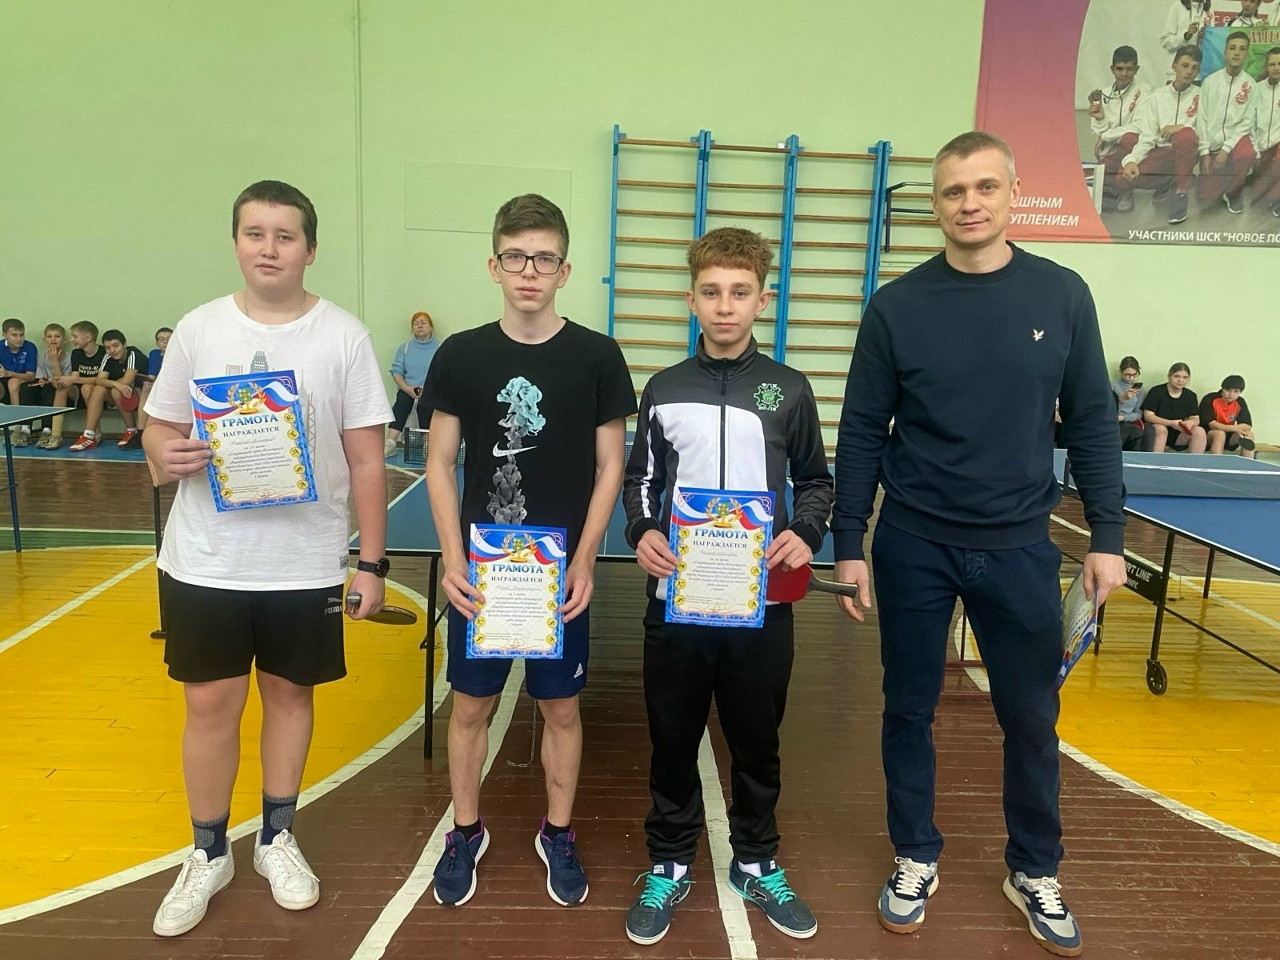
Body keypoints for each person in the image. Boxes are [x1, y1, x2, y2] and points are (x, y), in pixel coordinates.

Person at [831, 131, 1126, 958]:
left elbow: (1093, 422)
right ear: (936, 204)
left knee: (1030, 717)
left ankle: (1034, 867)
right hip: (913, 542)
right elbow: (862, 429)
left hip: (1020, 546)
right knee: (908, 708)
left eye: (985, 187)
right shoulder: (896, 307)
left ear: (1012, 192)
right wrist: (849, 541)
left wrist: (1107, 534)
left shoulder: (1063, 295)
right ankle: (914, 854)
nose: (970, 203)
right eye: (954, 190)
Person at [142, 179, 391, 937]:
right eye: (256, 233)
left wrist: (372, 563)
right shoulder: (198, 329)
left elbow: (368, 458)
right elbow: (158, 428)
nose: (270, 248)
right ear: (236, 243)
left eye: (286, 236)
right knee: (209, 706)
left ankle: (277, 838)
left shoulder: (343, 336)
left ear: (310, 250)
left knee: (289, 697)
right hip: (205, 561)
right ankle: (207, 851)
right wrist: (164, 452)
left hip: (305, 564)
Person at [620, 227, 833, 946]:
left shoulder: (789, 389)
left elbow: (816, 480)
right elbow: (640, 479)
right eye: (711, 292)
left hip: (761, 604)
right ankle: (669, 861)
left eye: (739, 293)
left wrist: (806, 532)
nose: (724, 306)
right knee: (672, 739)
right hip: (677, 604)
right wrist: (642, 530)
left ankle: (755, 858)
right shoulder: (663, 388)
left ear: (761, 301)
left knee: (757, 742)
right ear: (691, 300)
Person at [421, 193, 635, 908]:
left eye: (544, 258)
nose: (530, 271)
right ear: (494, 266)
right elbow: (440, 463)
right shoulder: (461, 354)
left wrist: (585, 557)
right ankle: (465, 831)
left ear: (565, 270)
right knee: (470, 708)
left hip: (558, 574)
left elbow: (611, 466)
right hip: (481, 574)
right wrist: (454, 559)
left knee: (562, 710)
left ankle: (558, 832)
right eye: (516, 257)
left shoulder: (598, 356)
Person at [1118, 45, 1205, 224]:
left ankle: (1181, 192)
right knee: (1123, 178)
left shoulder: (1203, 96)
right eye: (1185, 65)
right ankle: (1168, 183)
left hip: (1187, 151)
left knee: (1186, 135)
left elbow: (1206, 132)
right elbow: (1147, 137)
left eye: (1194, 67)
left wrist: (1181, 127)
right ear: (1174, 66)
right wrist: (1132, 160)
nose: (1189, 71)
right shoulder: (1158, 97)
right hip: (1162, 154)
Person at [1197, 31, 1258, 213]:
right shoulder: (1210, 82)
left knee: (1247, 152)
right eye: (1232, 48)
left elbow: (1247, 122)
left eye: (1242, 49)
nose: (1237, 53)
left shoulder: (1251, 85)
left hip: (1235, 143)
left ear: (1247, 54)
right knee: (1207, 197)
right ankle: (1221, 179)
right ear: (1225, 52)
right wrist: (1204, 152)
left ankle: (1234, 193)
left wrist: (1226, 149)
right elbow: (1202, 118)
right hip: (1212, 146)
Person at [1090, 46, 1151, 213]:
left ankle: (1126, 190)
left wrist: (1106, 136)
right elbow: (1097, 131)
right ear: (1112, 69)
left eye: (1129, 69)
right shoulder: (1102, 94)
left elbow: (1140, 126)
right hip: (1109, 150)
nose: (1124, 73)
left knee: (1130, 138)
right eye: (1120, 69)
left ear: (1137, 69)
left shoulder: (1145, 91)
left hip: (1132, 148)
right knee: (1097, 192)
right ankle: (1110, 189)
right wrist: (1100, 119)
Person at [74, 329, 148, 450]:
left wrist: (115, 385)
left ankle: (132, 431)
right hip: (118, 393)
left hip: (141, 396)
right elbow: (99, 380)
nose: (112, 350)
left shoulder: (133, 354)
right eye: (108, 348)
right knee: (94, 389)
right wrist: (116, 384)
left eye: (116, 345)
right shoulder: (108, 356)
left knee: (116, 390)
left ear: (124, 344)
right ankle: (89, 435)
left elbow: (126, 381)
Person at [384, 310, 439, 457]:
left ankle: (429, 446)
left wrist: (426, 389)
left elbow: (442, 373)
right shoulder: (405, 348)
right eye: (416, 324)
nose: (420, 326)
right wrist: (407, 388)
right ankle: (391, 444)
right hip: (408, 389)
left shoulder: (439, 348)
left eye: (423, 323)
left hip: (429, 390)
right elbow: (396, 372)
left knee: (427, 409)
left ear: (431, 327)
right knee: (401, 404)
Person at [1141, 362, 1208, 452]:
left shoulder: (1191, 395)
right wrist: (1170, 423)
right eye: (1176, 376)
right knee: (1161, 429)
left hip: (1178, 432)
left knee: (1199, 431)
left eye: (1185, 377)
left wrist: (1190, 422)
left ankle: (1195, 460)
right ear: (1169, 376)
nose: (1180, 380)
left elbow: (1196, 418)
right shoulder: (1156, 391)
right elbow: (1148, 416)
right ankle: (1156, 459)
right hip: (1158, 428)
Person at [61, 321, 107, 450]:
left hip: (103, 392)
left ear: (87, 337)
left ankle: (91, 434)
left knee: (89, 388)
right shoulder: (76, 353)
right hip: (82, 391)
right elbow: (75, 376)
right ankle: (93, 432)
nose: (72, 339)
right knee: (83, 388)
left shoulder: (104, 353)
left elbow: (101, 380)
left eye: (75, 336)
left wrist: (74, 379)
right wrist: (64, 380)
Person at [32, 323, 74, 448]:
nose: (53, 339)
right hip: (47, 389)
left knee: (52, 388)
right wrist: (42, 380)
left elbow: (61, 383)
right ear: (44, 340)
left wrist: (55, 360)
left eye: (57, 336)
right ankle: (26, 430)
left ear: (64, 339)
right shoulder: (41, 355)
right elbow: (41, 376)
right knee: (39, 388)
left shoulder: (70, 357)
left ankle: (49, 430)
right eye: (49, 336)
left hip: (64, 392)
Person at [0, 318, 42, 445]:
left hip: (25, 385)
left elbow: (30, 376)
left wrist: (9, 373)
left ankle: (17, 426)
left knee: (13, 382)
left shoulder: (30, 347)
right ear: (4, 335)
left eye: (21, 335)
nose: (19, 338)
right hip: (4, 384)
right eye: (14, 335)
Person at [1250, 47, 1280, 216]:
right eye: (1272, 64)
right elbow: (1250, 122)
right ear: (1266, 67)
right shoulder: (1257, 89)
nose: (1276, 68)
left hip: (1278, 145)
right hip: (1261, 147)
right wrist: (1255, 149)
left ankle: (1277, 198)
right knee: (1258, 200)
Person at [1200, 374, 1256, 456]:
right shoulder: (1210, 398)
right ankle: (1216, 463)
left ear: (1240, 392)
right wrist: (1233, 428)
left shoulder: (1240, 402)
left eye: (1235, 391)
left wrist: (1235, 430)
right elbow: (1212, 424)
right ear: (1222, 389)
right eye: (1228, 390)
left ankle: (1248, 463)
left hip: (1229, 436)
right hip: (1208, 436)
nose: (1231, 394)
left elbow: (1247, 425)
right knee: (1219, 434)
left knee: (1248, 434)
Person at [136, 326, 172, 432]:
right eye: (161, 339)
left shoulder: (182, 355)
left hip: (176, 387)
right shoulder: (155, 354)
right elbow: (151, 376)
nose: (165, 342)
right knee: (146, 388)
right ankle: (141, 431)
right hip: (159, 385)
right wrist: (149, 382)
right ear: (157, 343)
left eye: (169, 339)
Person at [1113, 356, 1146, 450]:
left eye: (1134, 374)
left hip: (1130, 421)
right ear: (1120, 371)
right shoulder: (1113, 386)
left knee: (1142, 431)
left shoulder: (1140, 390)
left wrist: (1123, 417)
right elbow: (1109, 411)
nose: (1131, 378)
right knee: (1127, 431)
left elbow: (1139, 414)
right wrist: (1122, 399)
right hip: (1115, 421)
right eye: (1127, 374)